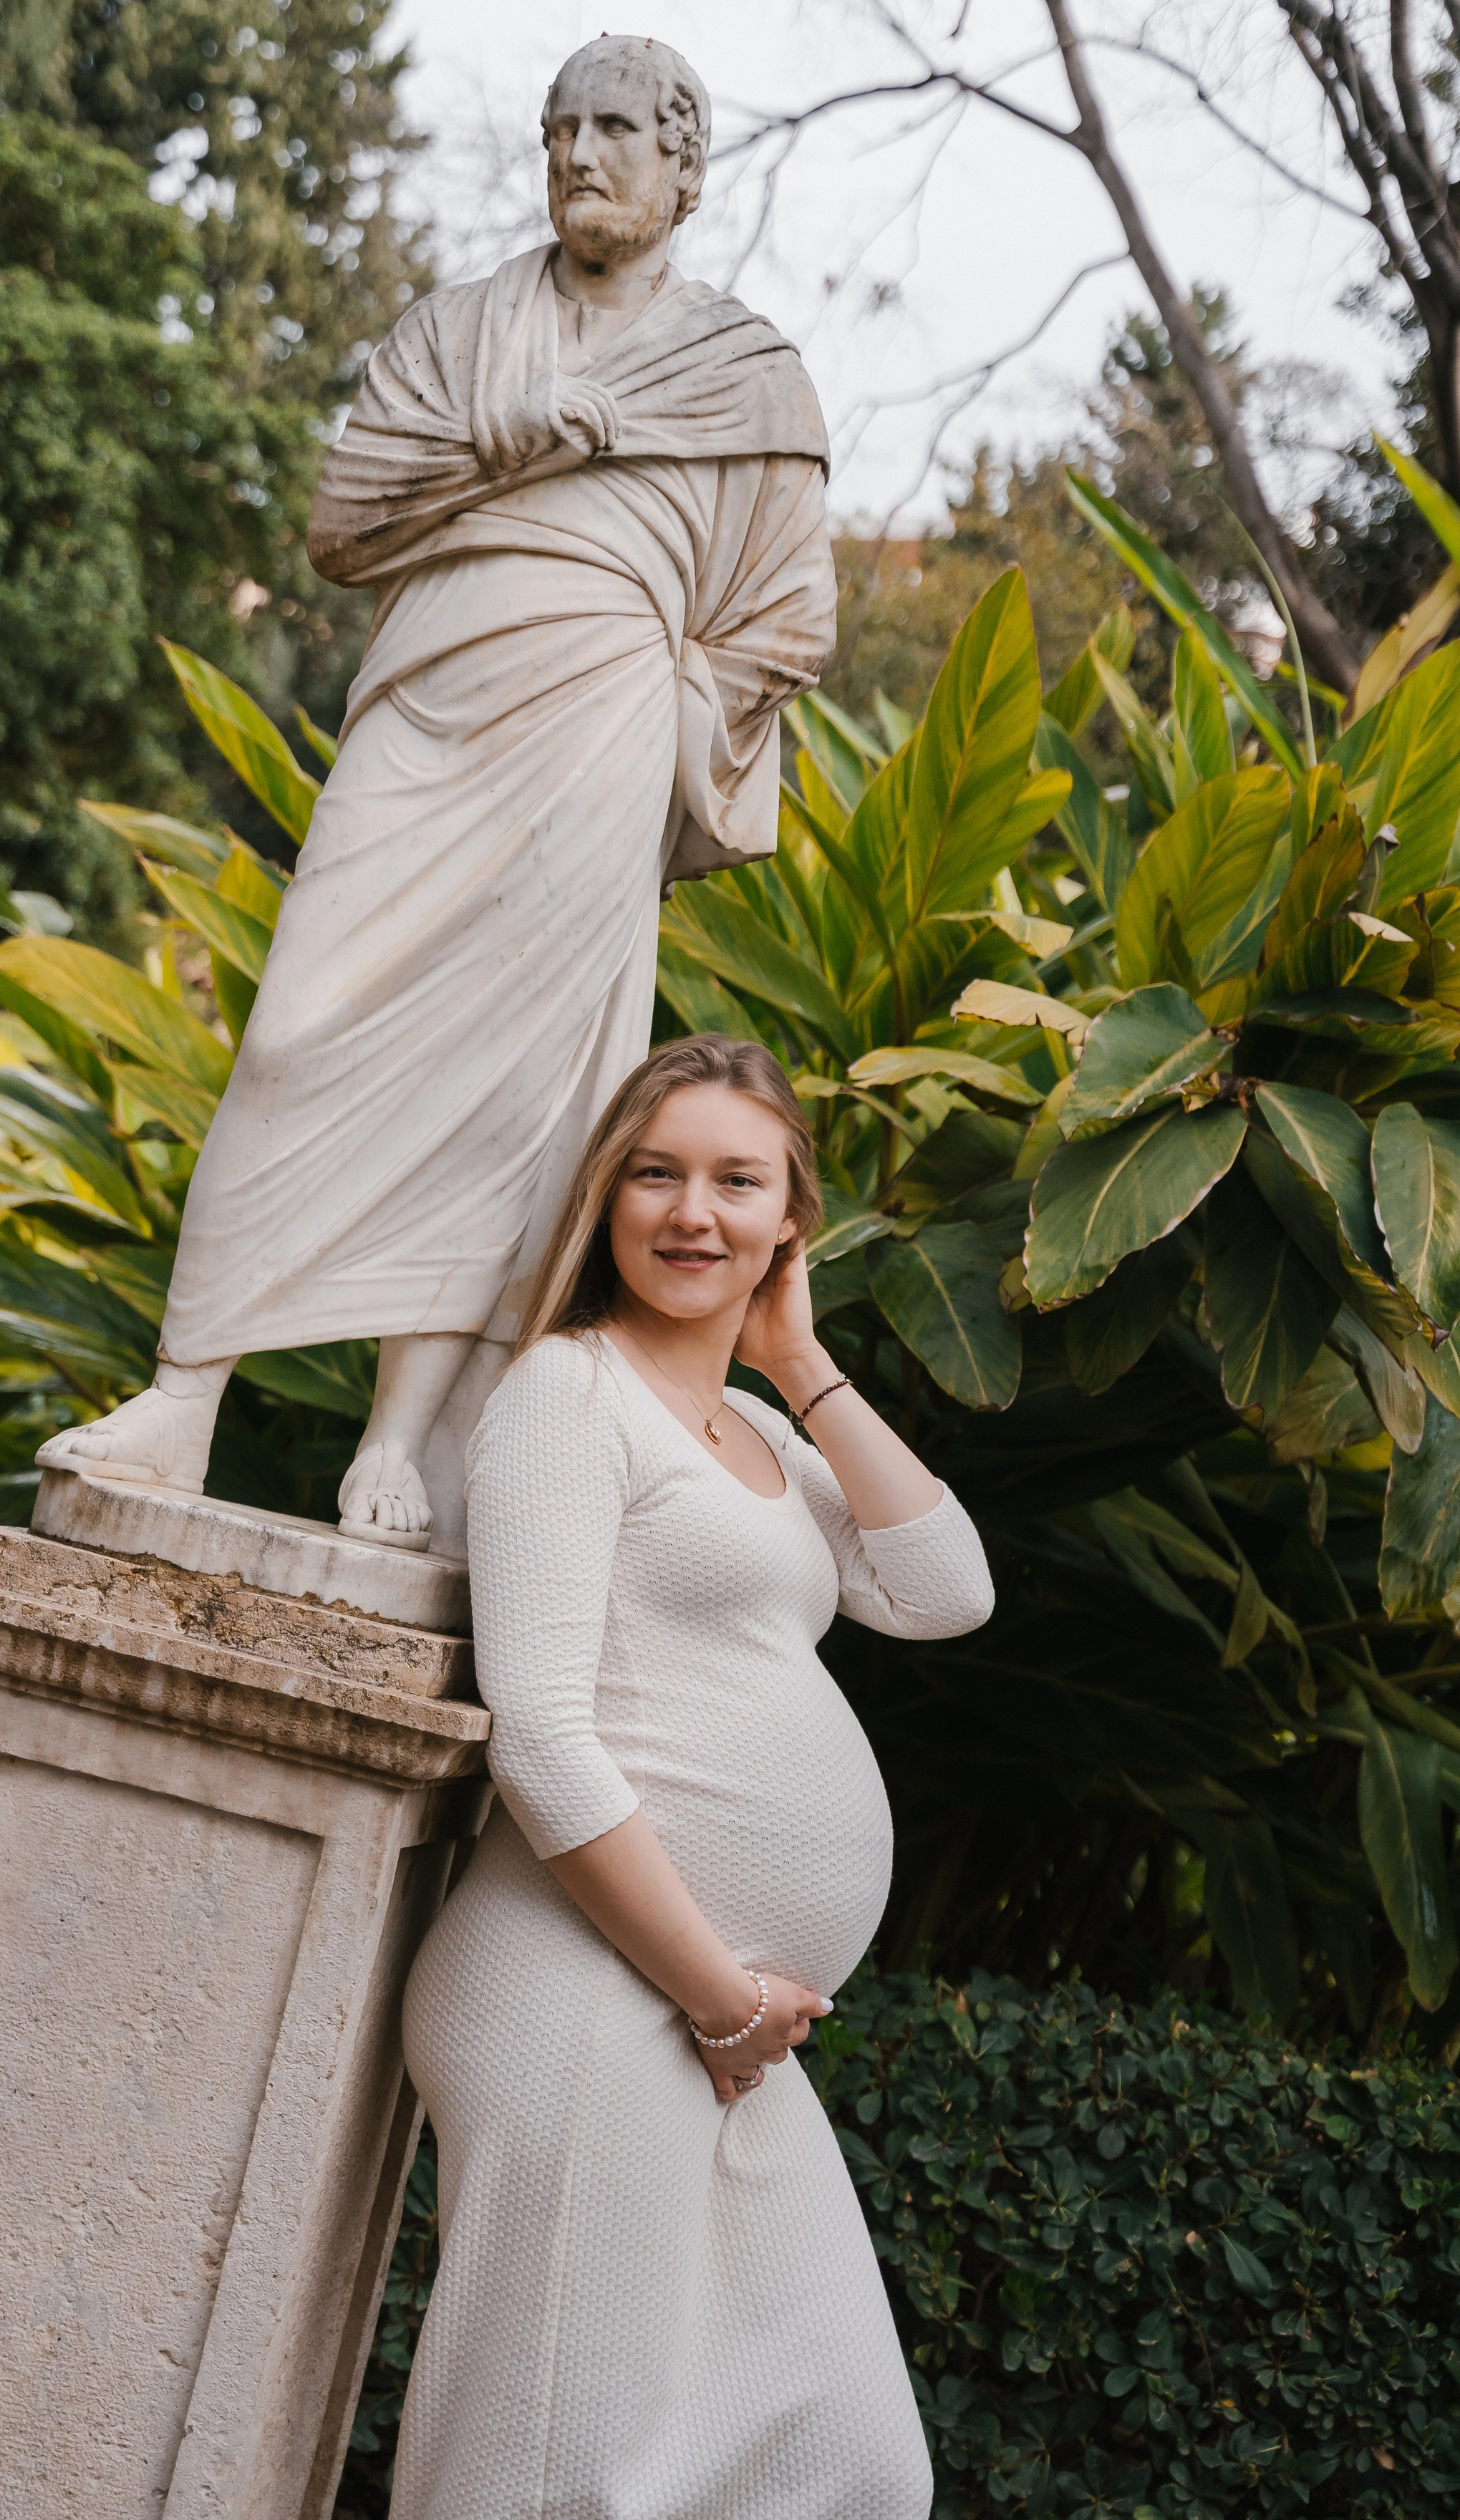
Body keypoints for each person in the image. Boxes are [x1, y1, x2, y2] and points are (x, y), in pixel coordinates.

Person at [36, 36, 835, 1554]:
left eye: (615, 131)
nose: (581, 155)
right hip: (427, 703)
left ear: (681, 165)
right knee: (296, 1025)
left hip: (601, 726)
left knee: (514, 1098)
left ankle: (401, 1443)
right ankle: (181, 1395)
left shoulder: (747, 377)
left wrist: (657, 698)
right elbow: (344, 525)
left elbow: (786, 623)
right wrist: (503, 450)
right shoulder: (460, 336)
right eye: (560, 129)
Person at [390, 1034, 995, 2520]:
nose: (690, 1214)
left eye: (737, 1181)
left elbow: (943, 1590)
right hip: (589, 1989)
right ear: (605, 1198)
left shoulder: (771, 1444)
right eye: (654, 1174)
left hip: (711, 2020)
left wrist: (800, 1360)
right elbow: (536, 1731)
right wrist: (721, 2001)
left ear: (792, 1221)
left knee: (841, 2454)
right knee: (556, 2464)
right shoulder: (562, 1399)